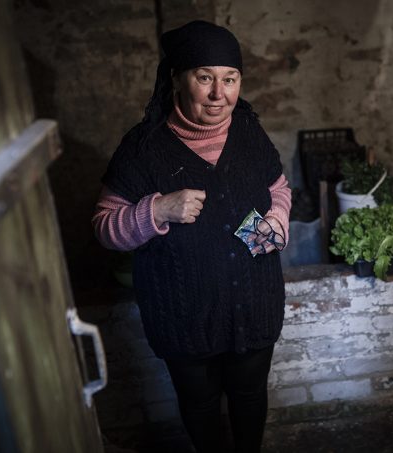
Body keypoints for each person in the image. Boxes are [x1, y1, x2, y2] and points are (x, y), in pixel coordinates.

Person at [92, 20, 292, 453]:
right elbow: (104, 227)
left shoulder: (248, 130)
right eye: (205, 78)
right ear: (177, 80)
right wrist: (156, 210)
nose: (219, 94)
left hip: (254, 305)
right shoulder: (143, 147)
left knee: (250, 396)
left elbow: (278, 186)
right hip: (183, 316)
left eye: (230, 79)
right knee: (200, 404)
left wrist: (278, 217)